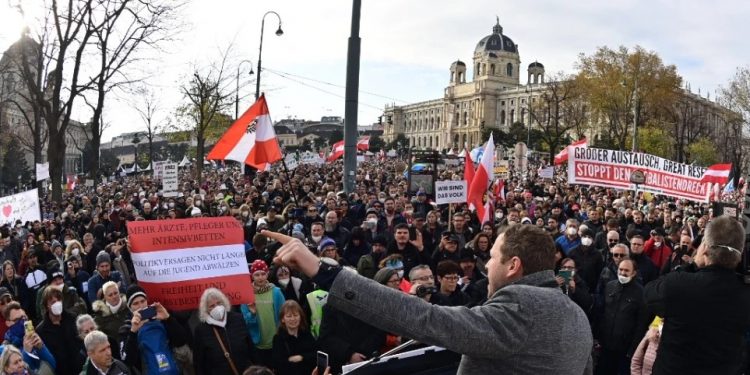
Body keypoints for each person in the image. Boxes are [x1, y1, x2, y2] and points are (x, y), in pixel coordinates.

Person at [261, 224, 593, 374]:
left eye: (493, 257)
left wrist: (325, 273)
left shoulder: (522, 308)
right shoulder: (576, 314)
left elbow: (427, 319)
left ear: (513, 266)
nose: (487, 264)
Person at [644, 215, 750, 375]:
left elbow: (649, 294)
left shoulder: (679, 284)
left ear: (705, 248)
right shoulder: (744, 294)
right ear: (740, 253)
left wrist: (692, 264)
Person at [119, 285, 189, 375]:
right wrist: (133, 332)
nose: (140, 306)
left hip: (174, 370)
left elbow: (181, 341)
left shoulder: (160, 318)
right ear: (130, 307)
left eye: (142, 301)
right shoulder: (126, 328)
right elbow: (126, 361)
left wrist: (168, 319)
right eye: (135, 304)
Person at [594, 258, 647, 375]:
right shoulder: (610, 286)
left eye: (626, 270)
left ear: (633, 273)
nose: (623, 273)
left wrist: (633, 349)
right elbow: (602, 312)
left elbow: (641, 324)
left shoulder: (641, 293)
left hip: (625, 349)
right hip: (606, 344)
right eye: (621, 269)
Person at [193, 288, 253, 375]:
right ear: (206, 310)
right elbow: (199, 362)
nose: (216, 307)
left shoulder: (237, 318)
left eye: (218, 303)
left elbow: (250, 346)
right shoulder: (201, 330)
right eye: (212, 306)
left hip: (245, 371)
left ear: (224, 303)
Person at [240, 260, 285, 366]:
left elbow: (283, 314)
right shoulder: (247, 294)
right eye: (257, 275)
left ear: (267, 274)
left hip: (276, 341)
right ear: (252, 276)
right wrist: (252, 314)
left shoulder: (276, 292)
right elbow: (244, 321)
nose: (260, 277)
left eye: (263, 274)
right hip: (257, 343)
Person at [35, 285, 82, 375]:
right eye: (53, 302)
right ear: (47, 305)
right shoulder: (41, 330)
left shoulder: (72, 318)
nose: (57, 303)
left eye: (59, 300)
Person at [271, 301, 316, 375]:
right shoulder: (278, 339)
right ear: (283, 319)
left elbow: (316, 354)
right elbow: (277, 365)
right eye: (289, 316)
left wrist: (302, 357)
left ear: (300, 317)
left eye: (295, 315)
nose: (293, 319)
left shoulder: (306, 334)